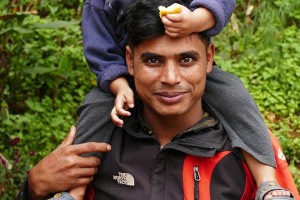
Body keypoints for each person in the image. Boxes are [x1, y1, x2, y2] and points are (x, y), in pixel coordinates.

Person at [17, 0, 299, 199]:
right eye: (154, 60)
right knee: (96, 104)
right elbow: (99, 49)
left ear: (209, 57)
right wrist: (34, 189)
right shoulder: (107, 138)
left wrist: (195, 20)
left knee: (233, 90)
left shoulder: (246, 145)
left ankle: (268, 185)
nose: (170, 77)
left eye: (186, 59)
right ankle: (72, 191)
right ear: (131, 58)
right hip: (116, 79)